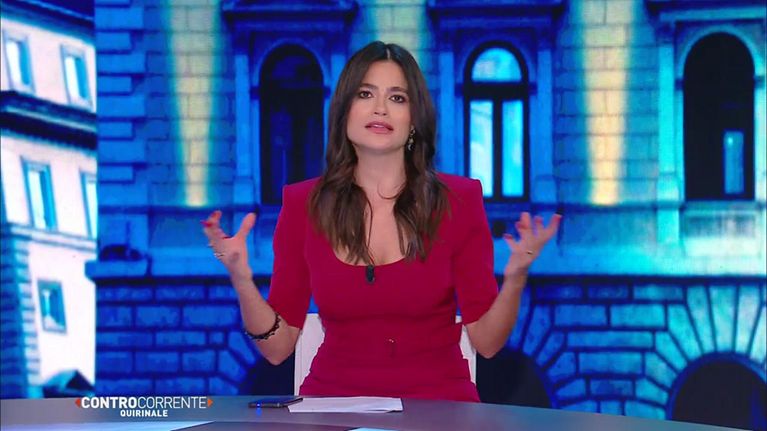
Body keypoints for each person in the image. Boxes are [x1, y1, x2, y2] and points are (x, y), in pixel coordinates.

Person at [201, 41, 561, 402]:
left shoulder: (459, 201)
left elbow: (487, 343)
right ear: (344, 111)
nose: (380, 108)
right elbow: (277, 348)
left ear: (414, 120)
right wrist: (241, 278)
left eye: (397, 98)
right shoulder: (303, 205)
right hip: (334, 404)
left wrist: (516, 276)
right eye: (365, 94)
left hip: (438, 405)